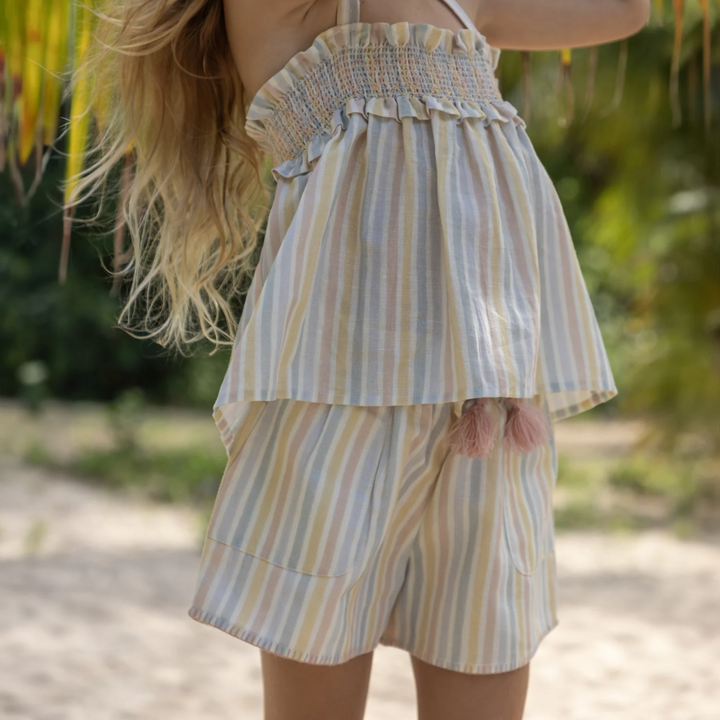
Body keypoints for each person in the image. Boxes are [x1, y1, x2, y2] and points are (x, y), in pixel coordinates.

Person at [75, 0, 650, 717]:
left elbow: (627, 10)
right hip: (337, 396)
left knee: (485, 656)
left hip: (492, 401)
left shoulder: (469, 8)